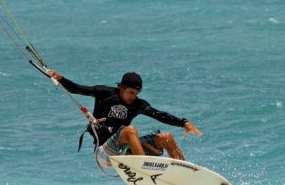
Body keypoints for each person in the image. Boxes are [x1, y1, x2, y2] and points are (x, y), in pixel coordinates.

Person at [47, 69, 202, 168]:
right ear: (121, 87)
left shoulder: (138, 104)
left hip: (125, 152)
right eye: (131, 93)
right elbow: (77, 89)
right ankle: (145, 169)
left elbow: (159, 114)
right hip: (105, 153)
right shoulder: (104, 93)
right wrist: (60, 79)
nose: (133, 97)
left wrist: (183, 122)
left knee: (166, 138)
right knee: (129, 130)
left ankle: (186, 171)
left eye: (136, 94)